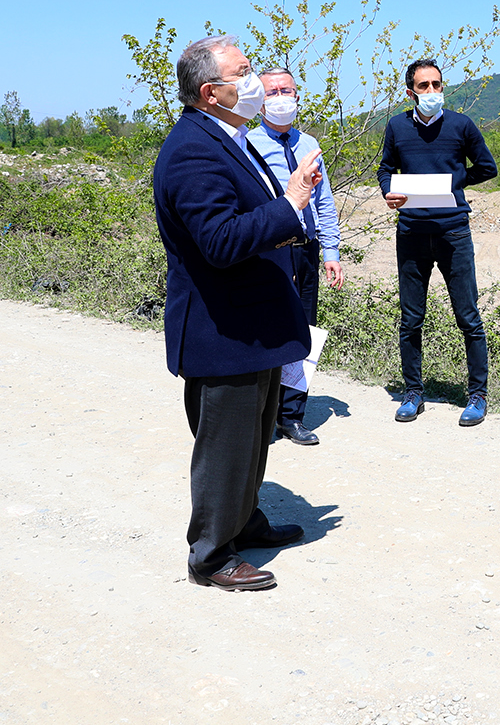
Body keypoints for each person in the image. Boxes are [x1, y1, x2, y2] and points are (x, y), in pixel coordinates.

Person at [153, 34, 323, 591]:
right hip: (222, 328)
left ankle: (243, 520)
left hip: (254, 323)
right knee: (225, 444)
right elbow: (221, 241)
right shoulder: (192, 151)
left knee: (253, 436)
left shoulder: (230, 137)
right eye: (244, 74)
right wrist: (292, 203)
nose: (255, 83)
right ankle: (210, 554)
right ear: (210, 92)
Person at [377, 59, 498, 426]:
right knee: (411, 319)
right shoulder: (397, 126)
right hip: (411, 231)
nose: (432, 92)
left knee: (468, 316)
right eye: (424, 86)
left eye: (437, 84)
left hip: (453, 232)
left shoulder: (461, 124)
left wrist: (453, 184)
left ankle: (477, 395)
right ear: (410, 91)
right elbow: (385, 169)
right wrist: (389, 192)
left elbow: (487, 167)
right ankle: (413, 392)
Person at [247, 67, 345, 446]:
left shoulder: (309, 144)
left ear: (298, 95)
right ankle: (261, 415)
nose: (280, 97)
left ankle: (292, 415)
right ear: (259, 101)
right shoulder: (247, 144)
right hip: (269, 251)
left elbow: (324, 201)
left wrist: (331, 250)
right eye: (272, 91)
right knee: (265, 332)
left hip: (305, 249)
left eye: (286, 90)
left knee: (303, 332)